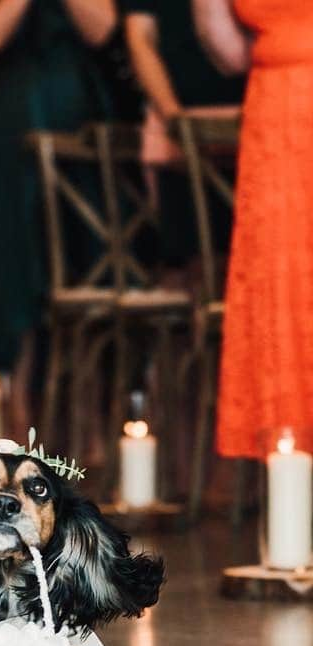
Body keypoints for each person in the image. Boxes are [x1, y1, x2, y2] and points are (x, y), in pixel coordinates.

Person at [0, 0, 117, 431]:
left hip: (73, 107)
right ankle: (17, 404)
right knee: (14, 253)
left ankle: (85, 410)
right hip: (12, 114)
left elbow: (103, 31)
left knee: (83, 250)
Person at [193, 0, 313, 459]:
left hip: (281, 102)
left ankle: (291, 454)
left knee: (285, 285)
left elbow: (227, 49)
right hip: (279, 111)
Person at [122, 0, 243, 275]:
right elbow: (139, 40)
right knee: (197, 253)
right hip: (185, 118)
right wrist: (172, 115)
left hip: (257, 112)